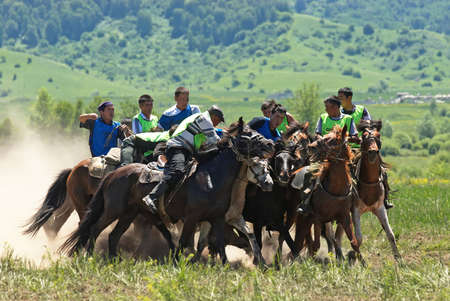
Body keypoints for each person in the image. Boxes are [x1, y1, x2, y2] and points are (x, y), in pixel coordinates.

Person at [142, 105, 225, 214]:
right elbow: (215, 140)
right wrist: (227, 142)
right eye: (218, 121)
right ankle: (151, 197)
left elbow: (208, 143)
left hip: (186, 150)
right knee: (177, 171)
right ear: (214, 116)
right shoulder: (205, 119)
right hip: (178, 147)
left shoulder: (202, 120)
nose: (218, 124)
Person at [338, 87, 393, 209]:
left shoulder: (361, 110)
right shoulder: (338, 113)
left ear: (349, 98)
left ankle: (385, 198)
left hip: (362, 148)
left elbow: (368, 126)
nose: (339, 100)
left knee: (382, 170)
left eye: (341, 98)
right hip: (344, 149)